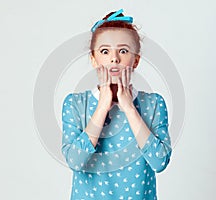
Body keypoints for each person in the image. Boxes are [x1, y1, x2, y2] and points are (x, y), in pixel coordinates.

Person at [61, 9, 172, 200]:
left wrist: (129, 108)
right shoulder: (76, 104)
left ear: (135, 60)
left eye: (123, 51)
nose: (114, 58)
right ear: (94, 59)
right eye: (105, 51)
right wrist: (103, 105)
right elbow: (75, 161)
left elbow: (159, 161)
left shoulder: (153, 104)